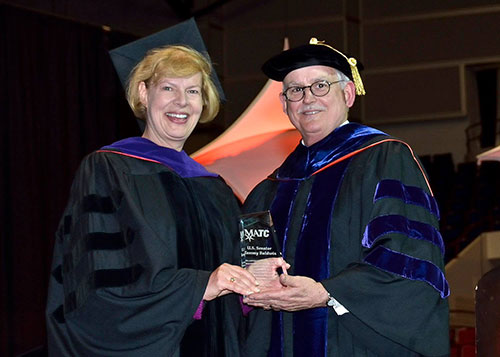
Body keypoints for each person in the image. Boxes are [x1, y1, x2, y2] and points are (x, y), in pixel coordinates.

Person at [45, 42, 261, 356]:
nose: (181, 102)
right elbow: (95, 284)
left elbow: (233, 279)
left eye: (193, 91)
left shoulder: (215, 188)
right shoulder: (109, 168)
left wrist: (258, 284)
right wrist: (199, 287)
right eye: (168, 88)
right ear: (145, 94)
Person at [242, 38, 450, 356]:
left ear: (348, 94)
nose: (307, 98)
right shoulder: (270, 188)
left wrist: (327, 292)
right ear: (284, 105)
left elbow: (410, 259)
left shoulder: (386, 159)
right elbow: (252, 271)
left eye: (321, 85)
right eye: (295, 90)